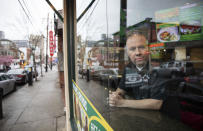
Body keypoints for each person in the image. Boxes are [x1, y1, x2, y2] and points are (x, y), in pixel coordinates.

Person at [109, 32, 164, 110]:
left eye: (141, 47)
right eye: (132, 49)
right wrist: (115, 96)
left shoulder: (158, 68)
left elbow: (156, 103)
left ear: (148, 49)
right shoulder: (129, 68)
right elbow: (121, 90)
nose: (138, 53)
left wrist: (122, 103)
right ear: (127, 53)